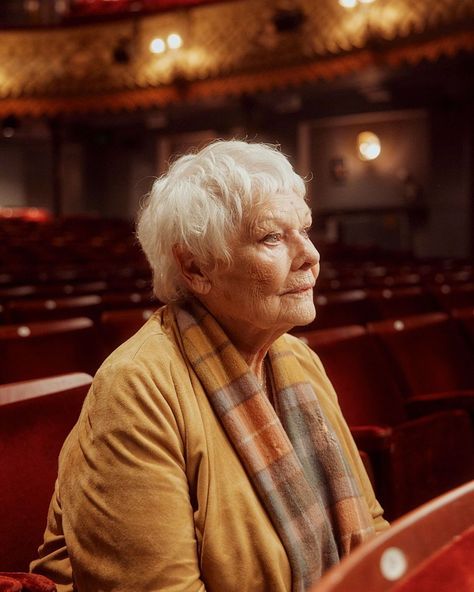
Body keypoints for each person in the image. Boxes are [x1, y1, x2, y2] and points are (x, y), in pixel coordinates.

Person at [31, 140, 389, 592]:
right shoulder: (135, 389)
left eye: (305, 229)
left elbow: (370, 526)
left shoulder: (299, 359)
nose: (311, 256)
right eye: (272, 237)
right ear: (196, 267)